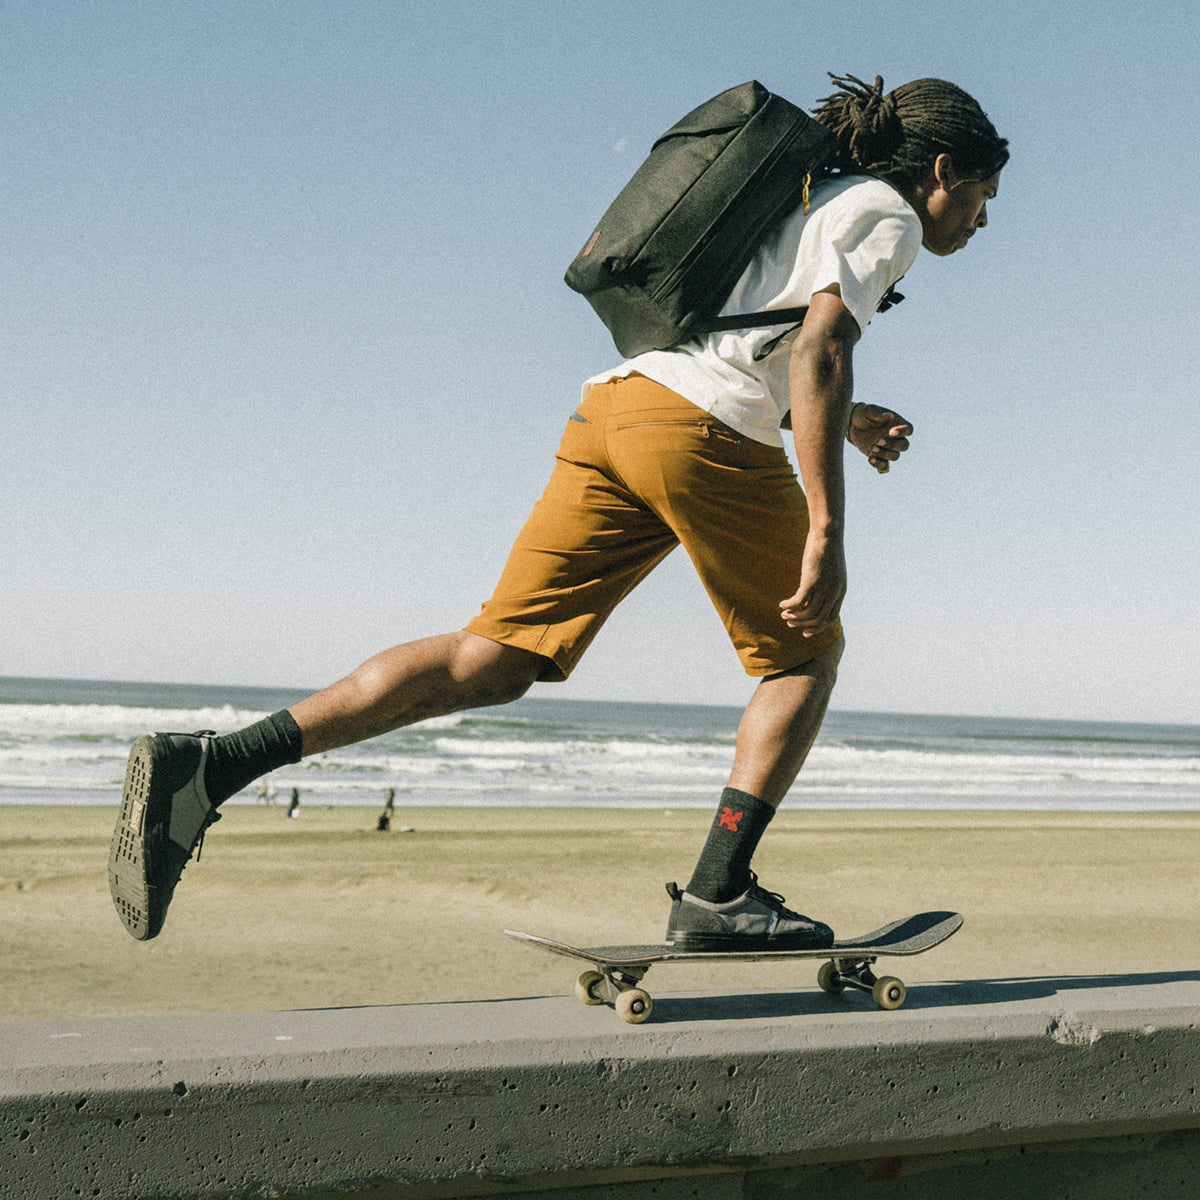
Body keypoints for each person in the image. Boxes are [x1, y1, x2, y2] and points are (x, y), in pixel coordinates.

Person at [107, 74, 1007, 947]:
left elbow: (744, 341)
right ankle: (719, 892)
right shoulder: (886, 213)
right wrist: (827, 528)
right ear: (941, 172)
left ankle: (214, 766)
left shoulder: (812, 195)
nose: (981, 219)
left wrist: (841, 420)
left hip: (620, 410)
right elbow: (820, 347)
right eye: (982, 196)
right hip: (701, 435)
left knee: (493, 659)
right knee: (805, 655)